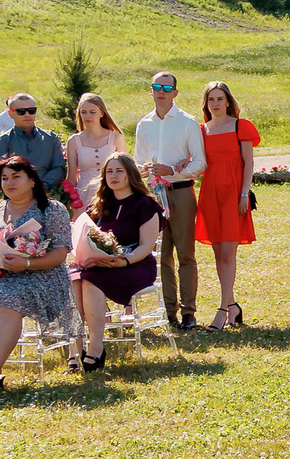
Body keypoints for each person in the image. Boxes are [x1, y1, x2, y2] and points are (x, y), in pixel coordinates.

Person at [0, 156, 73, 399]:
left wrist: (28, 264)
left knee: (8, 303)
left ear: (32, 180)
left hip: (40, 277)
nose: (9, 182)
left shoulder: (51, 210)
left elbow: (61, 252)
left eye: (16, 177)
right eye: (4, 178)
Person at [68, 152, 163, 370]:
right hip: (98, 265)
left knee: (90, 281)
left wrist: (125, 261)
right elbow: (84, 237)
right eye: (109, 171)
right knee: (75, 279)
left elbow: (146, 245)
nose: (114, 175)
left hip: (135, 265)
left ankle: (96, 347)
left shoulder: (144, 204)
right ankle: (76, 348)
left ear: (131, 175)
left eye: (119, 171)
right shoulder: (100, 205)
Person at [132, 72, 206, 330]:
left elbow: (200, 162)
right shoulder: (144, 124)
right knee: (161, 254)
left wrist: (172, 171)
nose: (161, 91)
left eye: (166, 87)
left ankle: (189, 312)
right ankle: (168, 311)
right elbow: (138, 161)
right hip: (153, 195)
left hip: (181, 191)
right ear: (151, 91)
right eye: (156, 87)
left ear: (175, 92)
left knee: (185, 253)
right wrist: (143, 170)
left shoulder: (187, 122)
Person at [194, 81, 259, 330]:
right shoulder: (202, 130)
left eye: (220, 98)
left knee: (229, 254)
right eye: (211, 99)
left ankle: (222, 310)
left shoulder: (240, 126)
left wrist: (244, 193)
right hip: (210, 193)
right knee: (217, 252)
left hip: (234, 193)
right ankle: (232, 305)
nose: (216, 104)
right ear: (206, 103)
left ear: (228, 101)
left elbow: (248, 163)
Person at [0, 93, 67, 196]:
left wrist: (42, 186)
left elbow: (59, 168)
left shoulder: (51, 138)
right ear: (10, 114)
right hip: (15, 199)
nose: (27, 115)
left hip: (47, 195)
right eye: (21, 111)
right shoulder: (2, 142)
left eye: (31, 111)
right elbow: (2, 175)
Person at [65, 92, 124, 213]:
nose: (88, 116)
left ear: (102, 113)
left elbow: (125, 170)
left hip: (111, 193)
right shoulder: (74, 141)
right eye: (83, 112)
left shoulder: (116, 138)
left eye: (92, 112)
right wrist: (68, 200)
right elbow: (72, 176)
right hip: (83, 196)